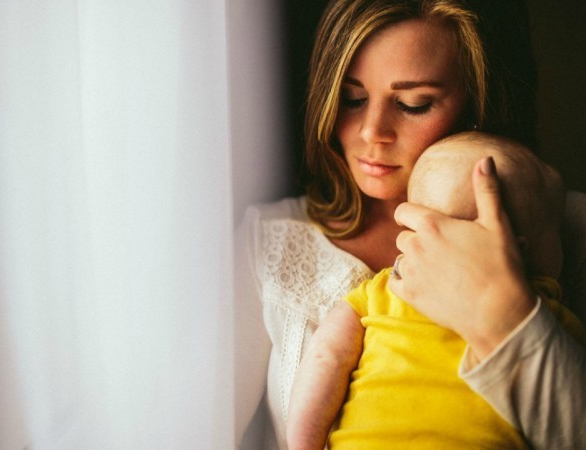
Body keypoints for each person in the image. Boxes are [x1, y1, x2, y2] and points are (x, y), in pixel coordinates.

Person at [235, 1, 586, 448]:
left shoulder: (566, 228)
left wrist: (505, 316)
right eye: (351, 98)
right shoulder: (268, 242)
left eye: (413, 104)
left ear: (474, 101)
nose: (372, 131)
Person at [286, 131, 586, 449]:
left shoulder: (382, 291)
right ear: (520, 248)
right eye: (555, 230)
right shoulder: (548, 319)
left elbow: (325, 358)